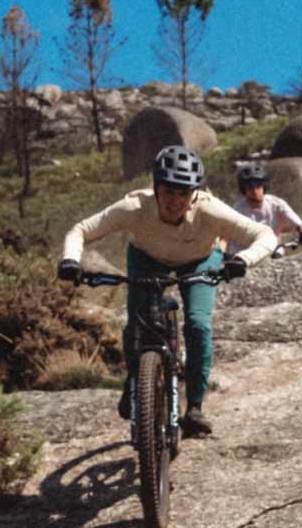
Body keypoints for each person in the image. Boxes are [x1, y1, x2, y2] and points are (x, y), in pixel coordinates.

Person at [58, 146, 270, 439]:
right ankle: (136, 381)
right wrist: (70, 259)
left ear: (194, 193)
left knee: (197, 324)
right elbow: (81, 230)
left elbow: (264, 235)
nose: (175, 200)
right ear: (155, 187)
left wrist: (243, 260)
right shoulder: (134, 208)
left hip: (200, 260)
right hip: (147, 258)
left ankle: (194, 407)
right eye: (168, 191)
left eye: (183, 193)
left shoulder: (210, 210)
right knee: (136, 325)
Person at [231, 159, 302, 253]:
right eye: (250, 187)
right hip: (246, 251)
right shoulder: (238, 210)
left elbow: (298, 224)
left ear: (264, 186)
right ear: (244, 190)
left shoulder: (276, 203)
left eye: (258, 185)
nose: (255, 191)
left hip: (273, 249)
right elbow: (228, 234)